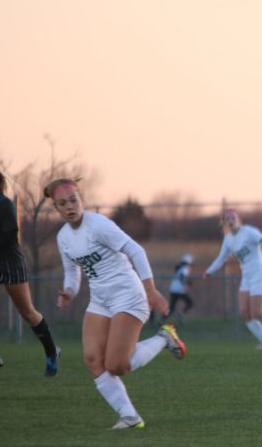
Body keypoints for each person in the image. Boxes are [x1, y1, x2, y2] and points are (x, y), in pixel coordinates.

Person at [44, 177, 187, 429]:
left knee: (117, 365)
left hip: (128, 294)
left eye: (73, 200)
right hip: (100, 299)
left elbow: (136, 251)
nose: (70, 206)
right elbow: (72, 271)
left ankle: (165, 338)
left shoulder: (98, 225)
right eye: (62, 203)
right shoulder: (63, 237)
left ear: (81, 200)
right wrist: (69, 291)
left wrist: (151, 290)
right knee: (92, 360)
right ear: (56, 208)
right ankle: (130, 416)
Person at [0, 161, 60, 378]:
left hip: (10, 262)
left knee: (27, 312)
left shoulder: (3, 204)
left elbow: (9, 237)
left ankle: (51, 350)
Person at [203, 209, 262, 349]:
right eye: (227, 219)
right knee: (244, 312)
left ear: (239, 219)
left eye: (233, 218)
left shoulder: (249, 232)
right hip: (247, 277)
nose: (230, 221)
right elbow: (221, 258)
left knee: (257, 314)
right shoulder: (228, 239)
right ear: (224, 223)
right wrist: (209, 271)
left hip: (260, 274)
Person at [163, 253, 195, 324]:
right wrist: (187, 284)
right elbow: (182, 277)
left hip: (173, 289)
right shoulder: (184, 268)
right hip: (179, 290)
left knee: (171, 308)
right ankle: (181, 314)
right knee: (190, 303)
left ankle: (163, 319)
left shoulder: (179, 267)